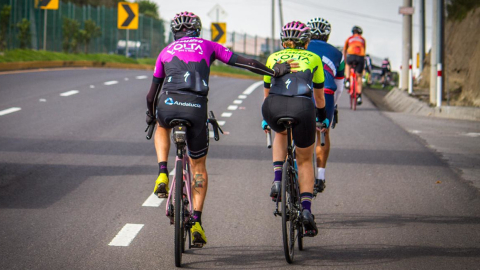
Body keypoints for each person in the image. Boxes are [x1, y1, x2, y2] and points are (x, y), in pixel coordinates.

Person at [146, 11, 295, 247]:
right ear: (198, 30)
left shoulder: (166, 51)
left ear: (175, 32)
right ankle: (196, 221)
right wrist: (274, 71)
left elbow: (152, 93)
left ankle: (163, 171)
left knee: (160, 125)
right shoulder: (209, 45)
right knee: (198, 166)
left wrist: (149, 115)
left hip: (168, 103)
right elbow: (245, 62)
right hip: (195, 107)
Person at [262, 21, 327, 236]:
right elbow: (319, 98)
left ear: (283, 41)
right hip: (302, 106)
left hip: (273, 106)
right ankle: (307, 211)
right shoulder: (314, 58)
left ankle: (277, 181)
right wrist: (323, 119)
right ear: (306, 42)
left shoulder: (273, 57)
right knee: (305, 159)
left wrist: (266, 120)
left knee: (280, 133)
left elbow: (267, 92)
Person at [306, 18, 345, 195]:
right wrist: (333, 107)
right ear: (327, 35)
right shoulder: (338, 53)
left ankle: (294, 170)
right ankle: (320, 177)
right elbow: (340, 86)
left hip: (302, 92)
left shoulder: (302, 47)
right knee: (323, 131)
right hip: (327, 93)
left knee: (296, 130)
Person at [343, 26, 366, 105]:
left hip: (351, 55)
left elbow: (345, 50)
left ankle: (347, 80)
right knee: (359, 76)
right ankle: (359, 96)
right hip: (360, 57)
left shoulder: (349, 38)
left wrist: (345, 60)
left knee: (348, 65)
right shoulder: (362, 39)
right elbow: (364, 50)